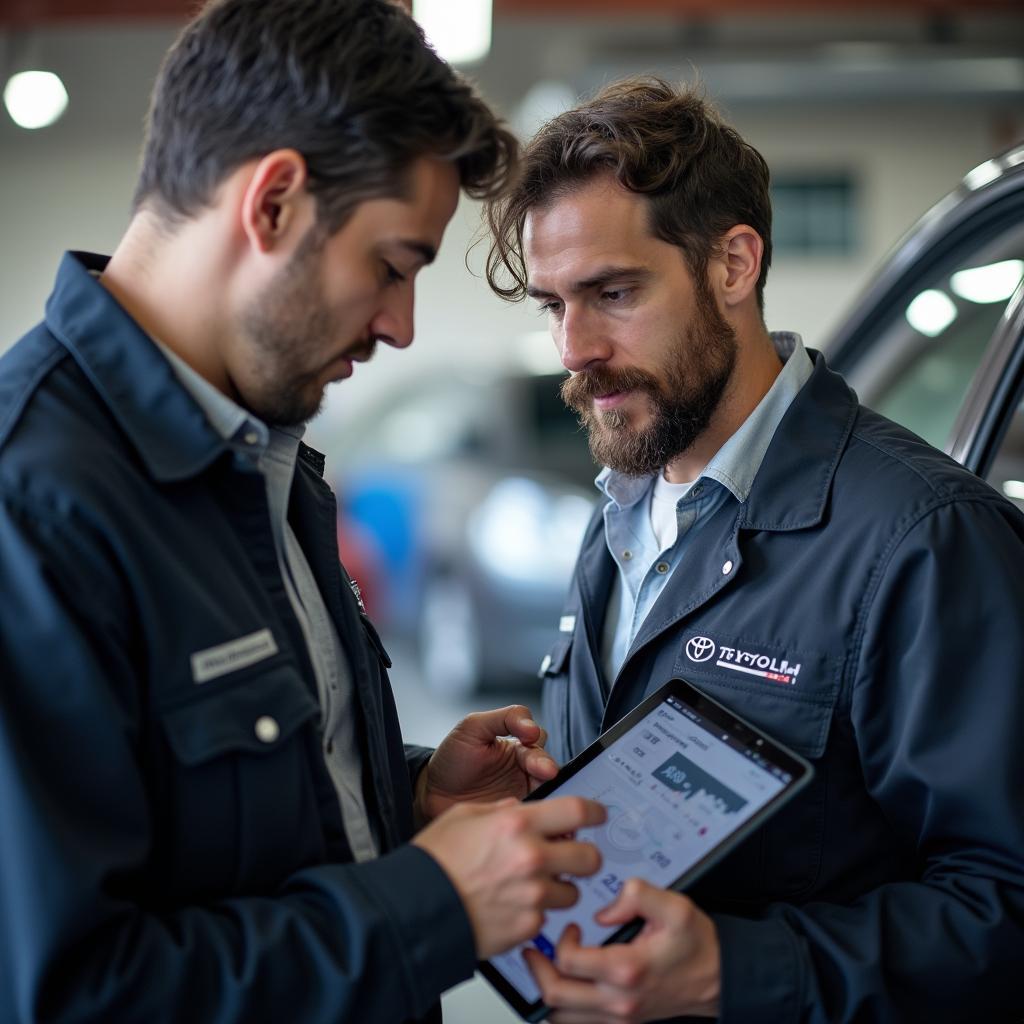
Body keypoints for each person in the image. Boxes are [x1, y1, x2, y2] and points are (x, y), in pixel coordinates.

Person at [0, 2, 608, 1022]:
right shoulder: (34, 506)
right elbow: (70, 993)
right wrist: (431, 902)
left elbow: (227, 822)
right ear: (274, 201)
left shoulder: (263, 455)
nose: (401, 327)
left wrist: (409, 799)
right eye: (391, 266)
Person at [485, 77, 1024, 1022]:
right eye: (553, 305)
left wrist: (735, 971)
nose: (573, 346)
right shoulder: (617, 516)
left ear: (733, 264)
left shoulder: (923, 542)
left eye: (612, 292)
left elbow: (1006, 908)